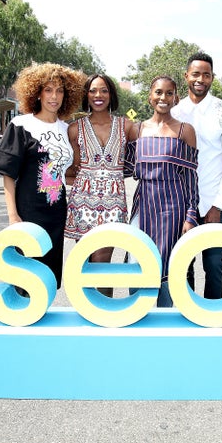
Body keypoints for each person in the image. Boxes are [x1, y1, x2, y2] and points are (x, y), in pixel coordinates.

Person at [0, 63, 85, 289]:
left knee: (48, 277)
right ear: (37, 93)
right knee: (26, 274)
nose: (55, 97)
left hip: (56, 212)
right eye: (48, 90)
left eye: (60, 90)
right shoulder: (21, 125)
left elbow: (66, 172)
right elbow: (8, 175)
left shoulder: (67, 129)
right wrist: (13, 215)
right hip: (28, 210)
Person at [171, 52, 222, 299]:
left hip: (213, 202)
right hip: (179, 203)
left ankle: (212, 318)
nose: (201, 79)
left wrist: (217, 204)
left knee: (213, 266)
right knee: (183, 264)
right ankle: (186, 317)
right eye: (196, 74)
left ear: (212, 78)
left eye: (206, 75)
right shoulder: (175, 112)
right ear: (186, 76)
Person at [64, 74, 138, 297]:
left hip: (113, 204)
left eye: (104, 90)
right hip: (83, 204)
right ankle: (87, 315)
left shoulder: (127, 126)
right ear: (86, 95)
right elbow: (71, 169)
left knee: (103, 265)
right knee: (85, 264)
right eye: (93, 90)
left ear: (111, 95)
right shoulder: (75, 129)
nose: (98, 95)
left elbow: (140, 160)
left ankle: (106, 316)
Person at [130, 75, 199, 307]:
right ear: (150, 96)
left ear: (175, 98)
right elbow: (127, 168)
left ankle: (168, 322)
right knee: (137, 260)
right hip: (144, 203)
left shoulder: (185, 131)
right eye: (158, 92)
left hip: (174, 206)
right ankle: (139, 314)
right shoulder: (137, 130)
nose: (163, 97)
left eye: (169, 93)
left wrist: (190, 216)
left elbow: (191, 178)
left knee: (171, 264)